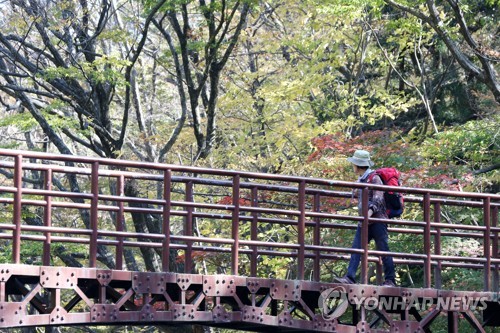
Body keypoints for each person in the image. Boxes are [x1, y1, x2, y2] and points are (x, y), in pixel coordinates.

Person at [334, 150, 396, 287]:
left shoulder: (374, 178)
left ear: (357, 165)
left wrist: (367, 215)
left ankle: (390, 280)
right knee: (356, 248)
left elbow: (378, 200)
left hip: (377, 221)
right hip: (365, 221)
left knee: (383, 249)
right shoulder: (362, 179)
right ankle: (350, 277)